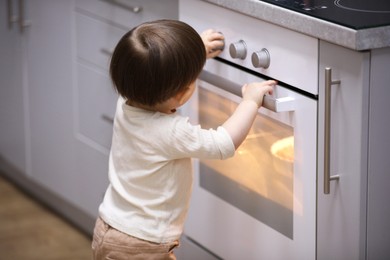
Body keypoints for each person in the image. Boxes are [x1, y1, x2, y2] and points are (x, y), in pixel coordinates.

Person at [92, 19, 276, 260]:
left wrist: (195, 49)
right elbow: (223, 143)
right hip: (142, 244)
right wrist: (250, 102)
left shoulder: (126, 101)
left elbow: (154, 71)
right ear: (181, 93)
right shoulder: (170, 131)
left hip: (110, 226)